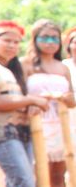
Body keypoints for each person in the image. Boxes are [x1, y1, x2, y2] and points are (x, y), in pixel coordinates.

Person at [0, 21, 46, 187]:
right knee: (24, 182)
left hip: (22, 132)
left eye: (16, 42)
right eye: (7, 41)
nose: (12, 45)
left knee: (18, 182)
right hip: (2, 135)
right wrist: (32, 100)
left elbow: (15, 100)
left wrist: (30, 106)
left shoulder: (12, 69)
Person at [23, 19, 74, 187]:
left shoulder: (63, 68)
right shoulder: (26, 64)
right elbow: (20, 96)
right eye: (45, 37)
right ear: (35, 39)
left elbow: (73, 101)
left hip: (61, 126)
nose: (50, 42)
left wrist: (66, 98)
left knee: (59, 174)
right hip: (35, 125)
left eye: (54, 38)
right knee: (38, 174)